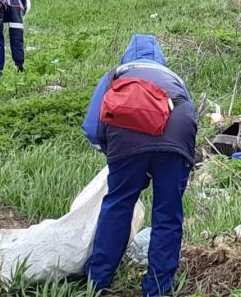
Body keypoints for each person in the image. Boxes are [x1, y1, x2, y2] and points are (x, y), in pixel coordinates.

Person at [82, 34, 197, 297]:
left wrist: (116, 154)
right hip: (177, 133)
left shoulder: (116, 75)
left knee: (119, 203)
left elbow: (92, 128)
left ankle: (97, 279)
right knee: (168, 213)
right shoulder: (172, 77)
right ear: (160, 56)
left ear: (127, 56)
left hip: (125, 134)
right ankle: (158, 287)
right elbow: (191, 115)